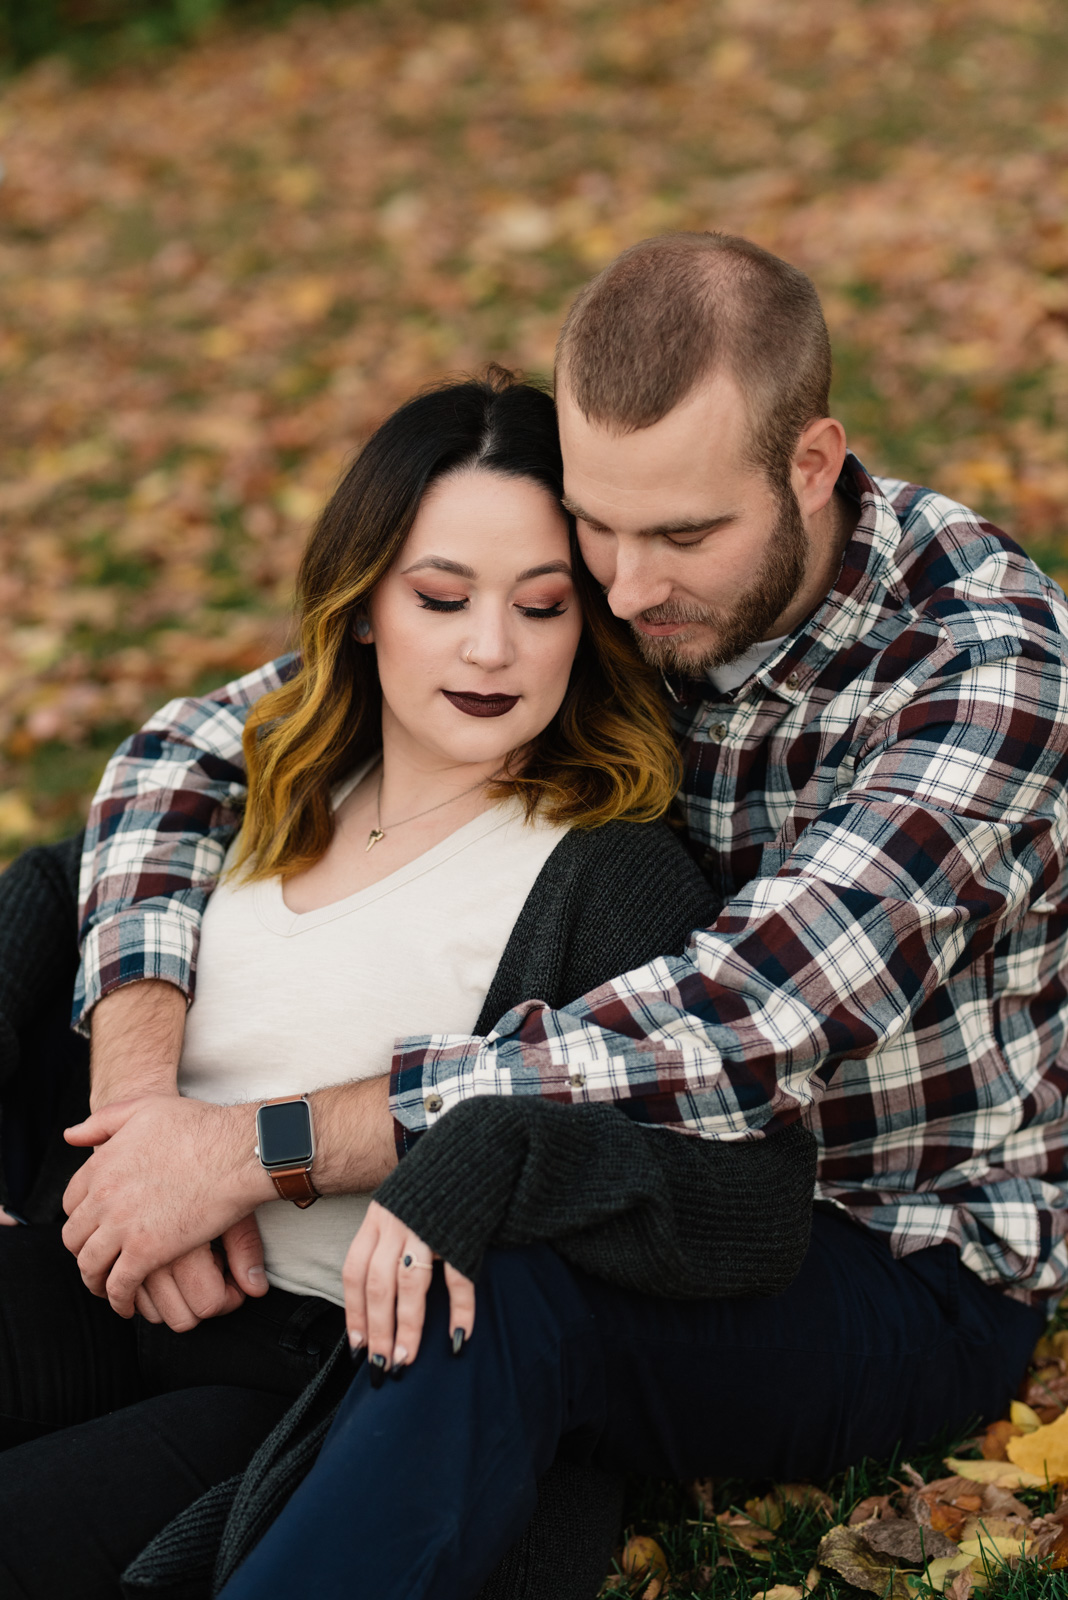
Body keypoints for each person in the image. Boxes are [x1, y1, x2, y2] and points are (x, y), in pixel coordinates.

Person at [50, 231, 1068, 1595]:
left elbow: (739, 1029)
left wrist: (261, 1149)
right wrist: (142, 1114)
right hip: (607, 1176)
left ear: (812, 464)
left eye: (684, 536)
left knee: (504, 1289)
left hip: (884, 1252)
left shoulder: (981, 668)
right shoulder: (611, 567)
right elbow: (190, 749)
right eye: (596, 525)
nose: (627, 588)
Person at [0, 369, 815, 1599]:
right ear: (365, 602)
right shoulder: (265, 781)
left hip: (292, 1372)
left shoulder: (606, 869)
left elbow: (735, 1190)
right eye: (443, 597)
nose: (491, 648)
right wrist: (131, 1161)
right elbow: (47, 901)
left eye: (542, 608)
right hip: (90, 1270)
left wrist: (252, 1164)